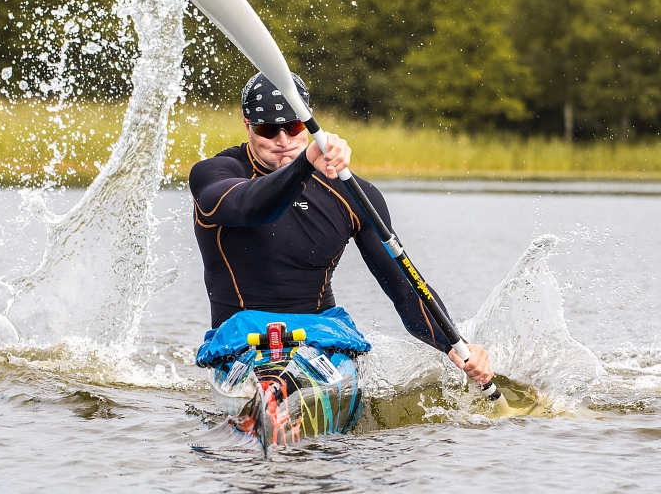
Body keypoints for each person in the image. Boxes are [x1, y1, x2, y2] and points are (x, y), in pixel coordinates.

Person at [189, 72, 493, 385]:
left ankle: (319, 391)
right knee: (264, 373)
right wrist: (304, 164)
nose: (282, 141)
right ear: (247, 124)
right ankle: (270, 400)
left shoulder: (352, 194)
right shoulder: (214, 174)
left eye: (293, 127)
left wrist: (455, 345)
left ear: (307, 123)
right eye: (268, 129)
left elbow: (404, 289)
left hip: (320, 339)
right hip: (242, 341)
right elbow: (250, 207)